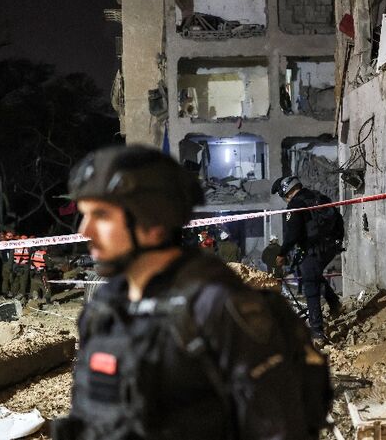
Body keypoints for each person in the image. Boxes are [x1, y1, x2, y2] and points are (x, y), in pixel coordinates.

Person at [52, 144, 322, 440]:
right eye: (83, 214)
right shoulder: (105, 307)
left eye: (101, 215)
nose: (84, 230)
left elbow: (278, 428)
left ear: (152, 221)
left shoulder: (218, 309)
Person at [271, 176, 343, 342]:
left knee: (310, 285)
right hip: (330, 247)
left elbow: (292, 235)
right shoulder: (320, 197)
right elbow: (338, 220)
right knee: (314, 273)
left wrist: (282, 254)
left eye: (283, 195)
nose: (284, 198)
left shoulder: (295, 205)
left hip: (313, 250)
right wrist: (337, 242)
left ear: (286, 190)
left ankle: (317, 331)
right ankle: (334, 303)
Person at [0, 232, 15, 297]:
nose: (9, 237)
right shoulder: (6, 244)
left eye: (10, 236)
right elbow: (0, 253)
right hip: (7, 264)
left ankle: (8, 292)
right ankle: (7, 292)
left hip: (8, 263)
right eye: (8, 236)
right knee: (8, 279)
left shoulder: (11, 244)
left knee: (10, 279)